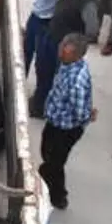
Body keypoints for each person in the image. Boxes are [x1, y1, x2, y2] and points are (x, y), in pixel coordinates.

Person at [31, 0, 98, 118]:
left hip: (63, 46)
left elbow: (92, 30)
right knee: (42, 70)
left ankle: (44, 108)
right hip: (50, 36)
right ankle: (38, 101)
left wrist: (73, 43)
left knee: (57, 79)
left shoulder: (86, 1)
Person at [38, 33, 96, 210]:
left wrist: (88, 115)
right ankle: (47, 172)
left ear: (75, 54)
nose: (60, 51)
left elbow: (79, 113)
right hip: (55, 121)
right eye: (62, 46)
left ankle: (58, 197)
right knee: (47, 152)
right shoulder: (67, 65)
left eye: (65, 49)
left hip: (66, 129)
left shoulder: (77, 81)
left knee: (55, 162)